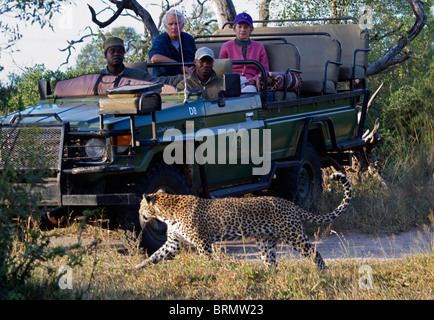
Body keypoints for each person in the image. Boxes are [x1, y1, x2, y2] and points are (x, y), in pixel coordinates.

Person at [96, 37, 183, 87]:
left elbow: (162, 81)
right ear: (105, 55)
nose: (116, 54)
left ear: (123, 54)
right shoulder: (96, 78)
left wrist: (188, 77)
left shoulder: (136, 75)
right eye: (112, 51)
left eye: (120, 51)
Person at [219, 12, 269, 92]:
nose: (242, 30)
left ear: (250, 29)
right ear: (235, 28)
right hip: (232, 81)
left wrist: (254, 79)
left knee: (250, 91)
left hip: (250, 82)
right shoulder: (226, 46)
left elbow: (264, 70)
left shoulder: (259, 47)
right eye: (240, 27)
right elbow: (221, 69)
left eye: (246, 27)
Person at [149, 10, 197, 77]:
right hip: (165, 79)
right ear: (165, 26)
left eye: (177, 23)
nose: (174, 27)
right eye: (170, 24)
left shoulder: (189, 39)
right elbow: (154, 58)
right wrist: (180, 66)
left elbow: (197, 58)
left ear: (182, 25)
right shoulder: (160, 40)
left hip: (188, 77)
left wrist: (193, 67)